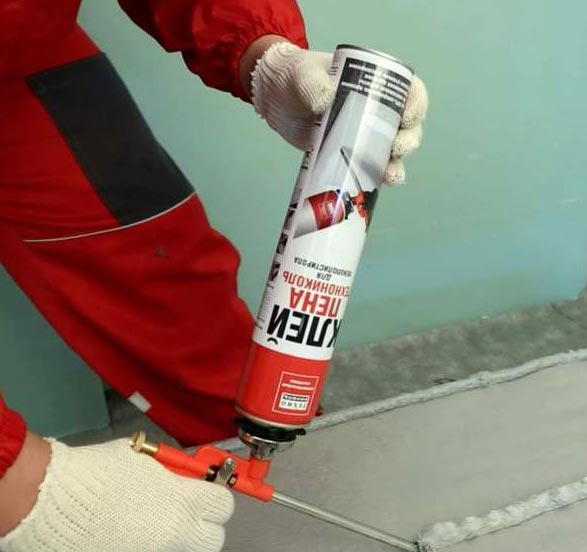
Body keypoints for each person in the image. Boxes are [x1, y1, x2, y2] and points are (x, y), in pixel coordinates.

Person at [0, 1, 428, 551]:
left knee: (161, 268)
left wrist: (263, 52)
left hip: (20, 46)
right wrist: (22, 487)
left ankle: (274, 460)